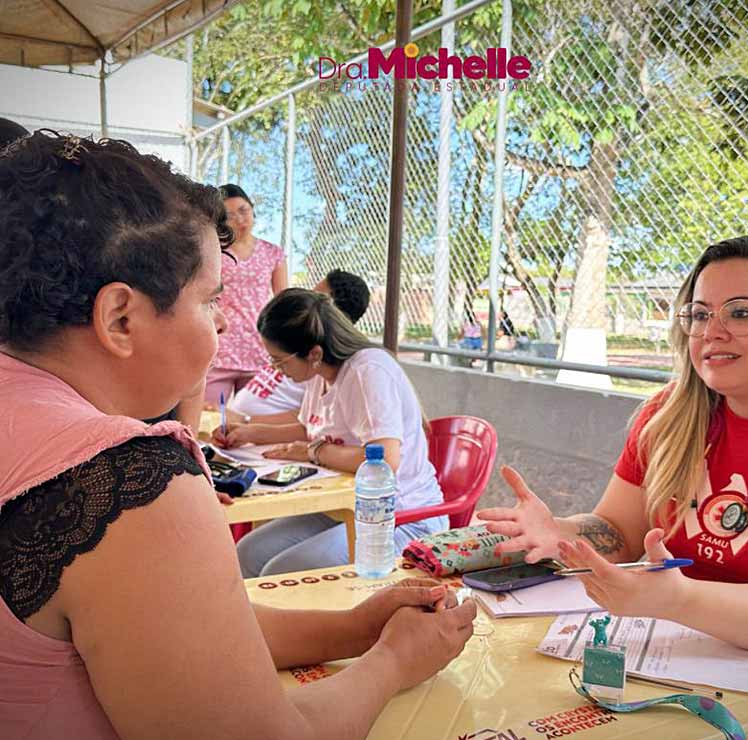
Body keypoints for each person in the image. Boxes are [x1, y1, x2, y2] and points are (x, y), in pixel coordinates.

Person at [0, 132, 475, 740]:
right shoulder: (124, 484)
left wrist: (356, 628)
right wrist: (395, 660)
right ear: (121, 317)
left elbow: (180, 628)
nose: (223, 321)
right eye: (209, 299)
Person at [478, 235, 748, 740]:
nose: (712, 332)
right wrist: (563, 533)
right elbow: (618, 529)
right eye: (699, 315)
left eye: (740, 313)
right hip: (694, 643)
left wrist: (679, 601)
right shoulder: (668, 415)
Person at [214, 288, 447, 577]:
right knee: (246, 553)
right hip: (345, 506)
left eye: (280, 361)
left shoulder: (367, 371)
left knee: (285, 570)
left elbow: (385, 459)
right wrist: (250, 432)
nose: (276, 369)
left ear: (314, 353)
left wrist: (315, 452)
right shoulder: (320, 373)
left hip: (397, 516)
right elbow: (310, 427)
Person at [228, 269, 370, 425]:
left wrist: (246, 421)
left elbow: (309, 421)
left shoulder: (325, 363)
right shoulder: (302, 351)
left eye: (314, 299)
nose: (304, 300)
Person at [204, 183, 288, 404]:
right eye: (230, 215)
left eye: (243, 210)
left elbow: (284, 301)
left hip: (258, 349)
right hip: (220, 350)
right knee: (210, 418)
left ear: (252, 210)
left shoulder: (273, 253)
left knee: (250, 419)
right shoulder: (214, 252)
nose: (240, 219)